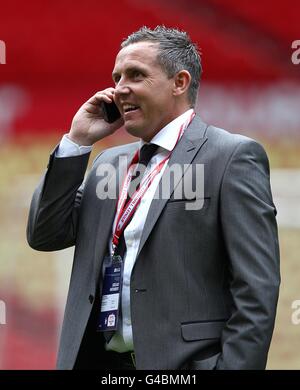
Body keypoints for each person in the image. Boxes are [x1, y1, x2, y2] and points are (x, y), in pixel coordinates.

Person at [27, 26, 280, 370]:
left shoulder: (231, 157)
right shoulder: (108, 164)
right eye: (117, 77)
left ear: (179, 82)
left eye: (136, 75)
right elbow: (45, 234)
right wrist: (77, 141)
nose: (119, 89)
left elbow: (256, 289)